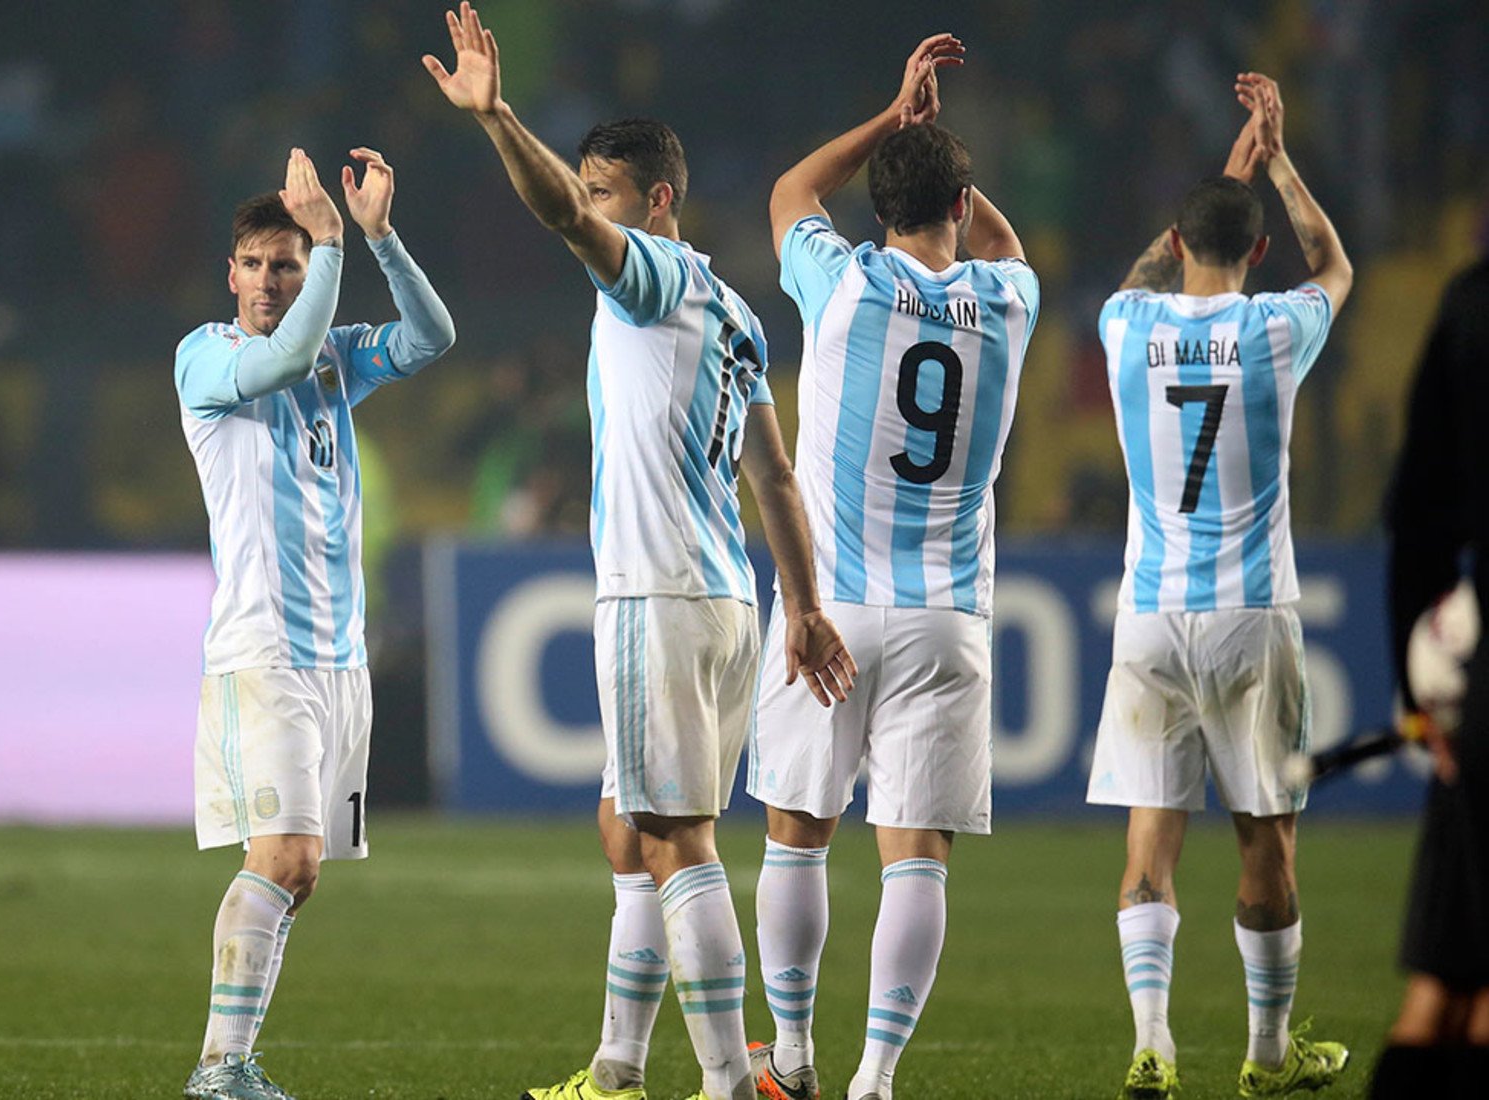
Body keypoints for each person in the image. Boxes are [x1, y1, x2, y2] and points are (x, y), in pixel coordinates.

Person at [421, 7, 855, 1100]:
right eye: (594, 193)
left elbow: (562, 215)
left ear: (657, 198)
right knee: (627, 826)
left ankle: (723, 1081)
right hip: (723, 597)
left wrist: (493, 116)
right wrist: (800, 606)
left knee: (675, 839)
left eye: (607, 192)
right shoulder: (739, 313)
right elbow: (775, 477)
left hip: (657, 594)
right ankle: (617, 1065)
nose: (592, 212)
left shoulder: (653, 276)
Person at [741, 35, 1038, 1100]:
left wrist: (891, 115)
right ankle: (875, 1077)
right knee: (914, 852)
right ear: (958, 203)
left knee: (796, 830)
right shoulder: (1010, 303)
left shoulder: (842, 285)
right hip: (947, 615)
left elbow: (789, 189)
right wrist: (948, 159)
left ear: (878, 216)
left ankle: (795, 1054)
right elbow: (999, 242)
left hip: (830, 604)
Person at [1085, 73, 1356, 1100]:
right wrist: (1276, 158)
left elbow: (1133, 276)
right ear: (1253, 253)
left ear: (1175, 240)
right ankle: (1265, 1055)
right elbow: (1332, 262)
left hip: (1150, 613)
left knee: (1149, 839)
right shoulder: (1275, 329)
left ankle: (1149, 1039)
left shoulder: (1123, 324)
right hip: (1252, 611)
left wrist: (1211, 193)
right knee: (1265, 838)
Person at [175, 146, 457, 1100]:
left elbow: (432, 336)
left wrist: (378, 237)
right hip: (263, 654)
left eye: (286, 264)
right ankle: (220, 1070)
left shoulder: (338, 362)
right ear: (229, 273)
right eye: (253, 264)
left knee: (301, 876)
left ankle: (232, 1064)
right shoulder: (206, 356)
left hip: (342, 662)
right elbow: (286, 352)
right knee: (284, 855)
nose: (268, 282)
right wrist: (332, 244)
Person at [1369, 253, 1489, 1099]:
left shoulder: (1470, 305)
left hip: (1483, 691)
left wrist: (1421, 697)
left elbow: (1414, 514)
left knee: (1441, 985)